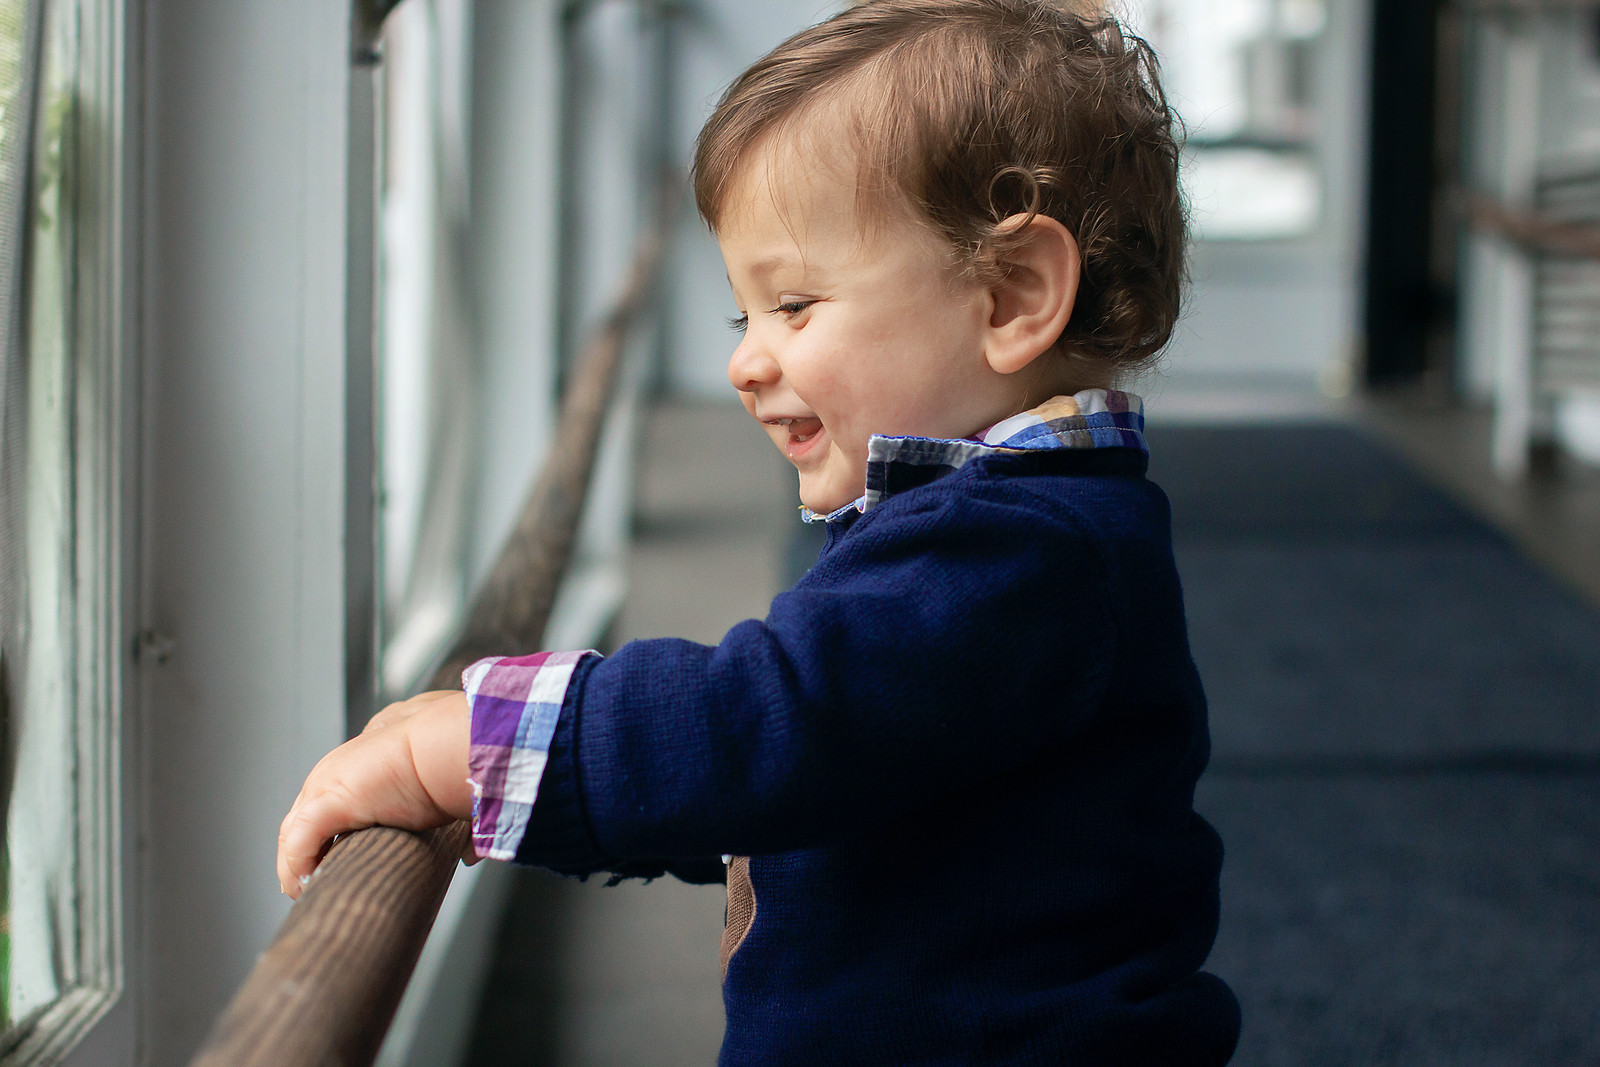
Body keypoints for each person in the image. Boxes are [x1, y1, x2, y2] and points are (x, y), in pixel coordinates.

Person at [278, 1, 1241, 1061]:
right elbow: (841, 781)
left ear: (1009, 294)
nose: (746, 360)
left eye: (792, 304)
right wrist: (544, 790)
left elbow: (772, 723)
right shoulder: (1014, 522)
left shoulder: (1024, 554)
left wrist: (473, 751)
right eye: (745, 317)